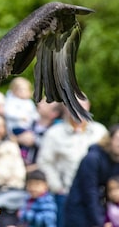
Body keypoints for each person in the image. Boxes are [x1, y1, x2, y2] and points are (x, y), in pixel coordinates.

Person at [37, 96, 107, 227]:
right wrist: (57, 187)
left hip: (96, 196)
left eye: (81, 105)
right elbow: (44, 162)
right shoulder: (54, 133)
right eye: (72, 105)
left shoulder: (100, 131)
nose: (77, 109)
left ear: (88, 107)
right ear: (66, 109)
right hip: (66, 194)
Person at [64, 124, 119, 227]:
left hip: (99, 212)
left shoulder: (116, 160)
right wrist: (100, 221)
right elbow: (89, 192)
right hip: (80, 212)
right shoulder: (92, 158)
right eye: (117, 139)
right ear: (110, 139)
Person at [0, 113, 26, 227]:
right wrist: (1, 178)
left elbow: (19, 175)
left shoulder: (12, 148)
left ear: (4, 128)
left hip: (9, 197)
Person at [14, 98, 63, 170]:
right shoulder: (28, 123)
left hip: (39, 174)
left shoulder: (56, 132)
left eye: (45, 104)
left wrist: (35, 140)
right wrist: (18, 139)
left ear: (54, 114)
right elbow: (9, 136)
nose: (39, 104)